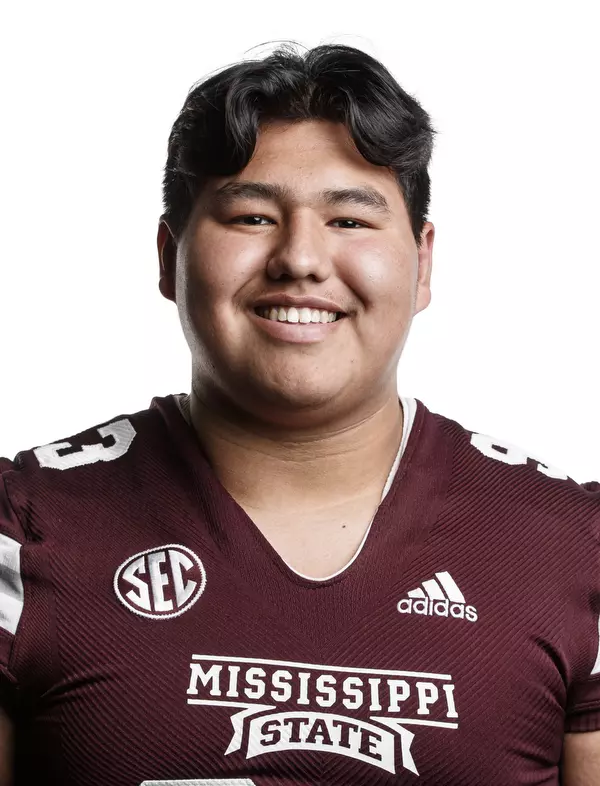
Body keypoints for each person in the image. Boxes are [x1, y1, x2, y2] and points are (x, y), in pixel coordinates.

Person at [0, 41, 598, 786]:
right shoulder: (24, 530)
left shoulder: (574, 547)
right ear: (169, 256)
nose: (301, 259)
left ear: (422, 262)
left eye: (350, 220)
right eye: (252, 216)